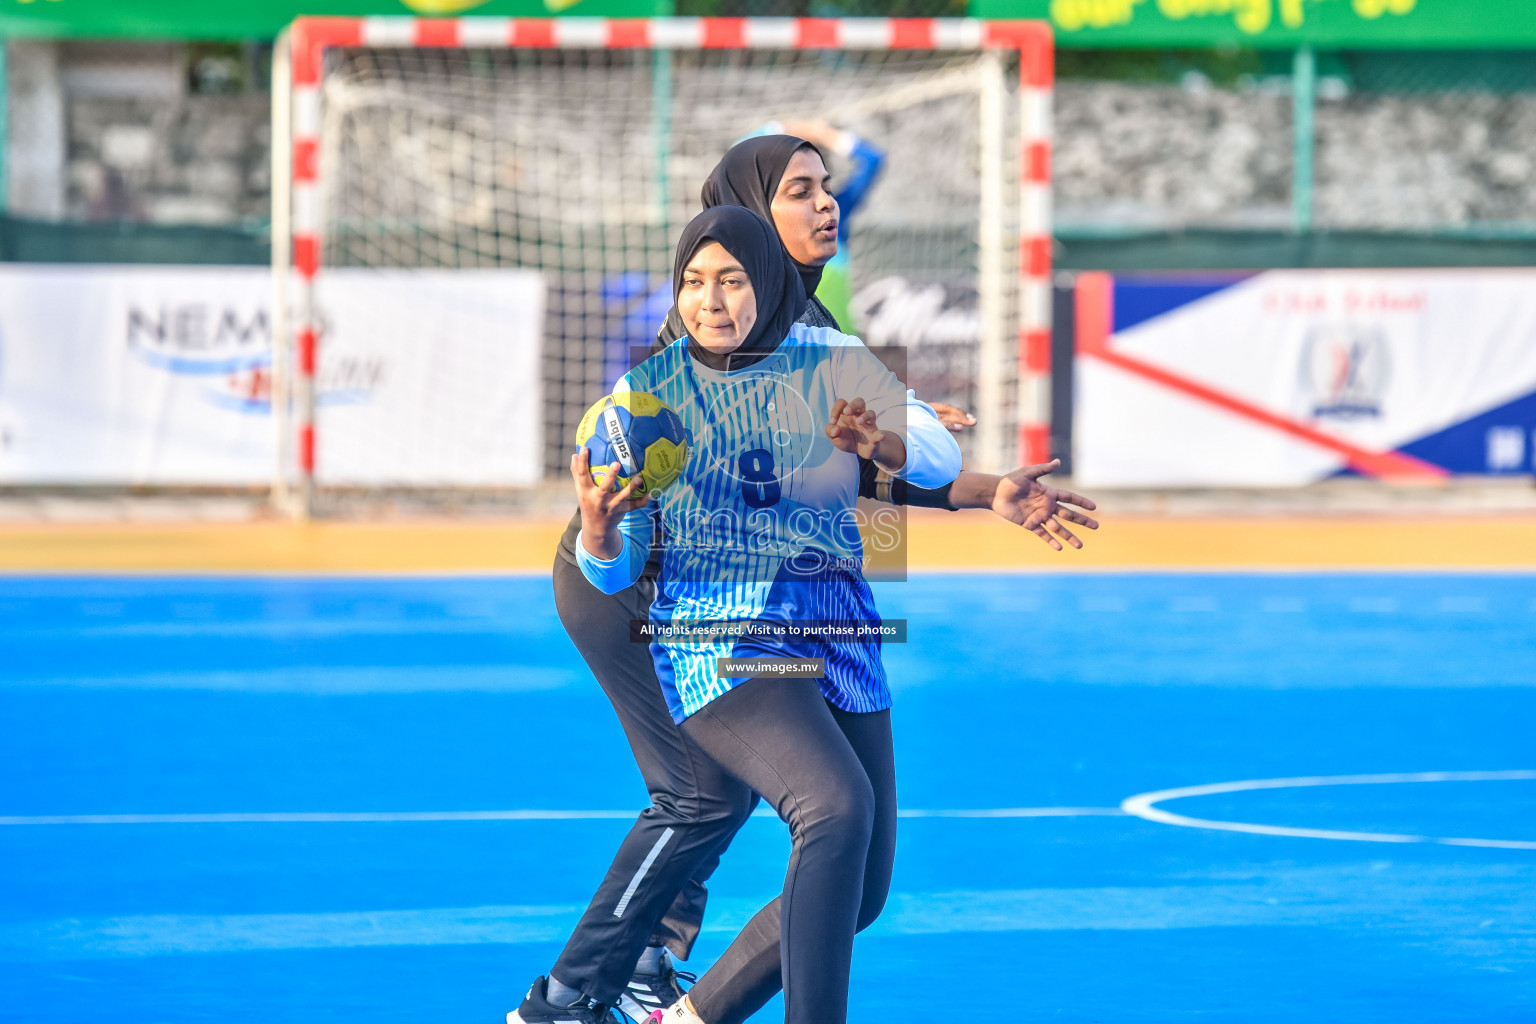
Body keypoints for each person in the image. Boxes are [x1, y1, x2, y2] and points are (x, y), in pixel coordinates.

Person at [508, 137, 1097, 1024]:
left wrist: (961, 479)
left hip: (787, 604)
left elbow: (838, 471)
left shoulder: (816, 338)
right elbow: (689, 482)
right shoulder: (699, 354)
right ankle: (584, 990)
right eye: (801, 192)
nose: (827, 207)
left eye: (828, 189)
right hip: (641, 583)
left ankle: (654, 982)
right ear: (747, 216)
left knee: (814, 853)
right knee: (713, 794)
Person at [578, 203, 960, 1024]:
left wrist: (885, 443)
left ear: (769, 284)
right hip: (720, 640)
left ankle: (689, 1018)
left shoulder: (829, 359)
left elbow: (938, 455)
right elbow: (613, 569)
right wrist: (600, 533)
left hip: (837, 634)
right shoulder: (646, 399)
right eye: (693, 281)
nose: (710, 300)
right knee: (834, 806)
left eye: (732, 280)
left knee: (860, 889)